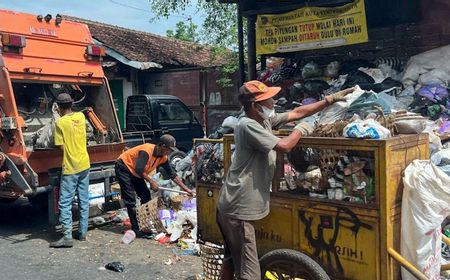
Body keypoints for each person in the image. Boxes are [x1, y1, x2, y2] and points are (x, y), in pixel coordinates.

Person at [216, 80, 355, 279]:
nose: (273, 102)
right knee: (250, 271)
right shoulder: (247, 125)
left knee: (233, 258)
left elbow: (298, 113)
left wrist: (328, 100)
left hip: (233, 204)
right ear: (255, 106)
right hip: (239, 208)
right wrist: (301, 130)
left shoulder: (262, 120)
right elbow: (284, 146)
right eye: (268, 100)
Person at [115, 134, 193, 235]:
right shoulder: (147, 151)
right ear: (162, 146)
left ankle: (145, 223)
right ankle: (136, 228)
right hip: (124, 167)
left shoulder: (163, 157)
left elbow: (172, 174)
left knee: (146, 196)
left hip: (136, 172)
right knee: (130, 199)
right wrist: (151, 181)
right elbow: (139, 169)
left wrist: (186, 189)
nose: (169, 152)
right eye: (168, 149)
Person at [50, 93, 90, 248]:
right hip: (85, 163)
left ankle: (67, 237)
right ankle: (82, 233)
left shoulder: (60, 123)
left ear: (58, 107)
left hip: (71, 167)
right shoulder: (80, 117)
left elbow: (60, 146)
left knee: (65, 203)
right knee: (83, 199)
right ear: (71, 104)